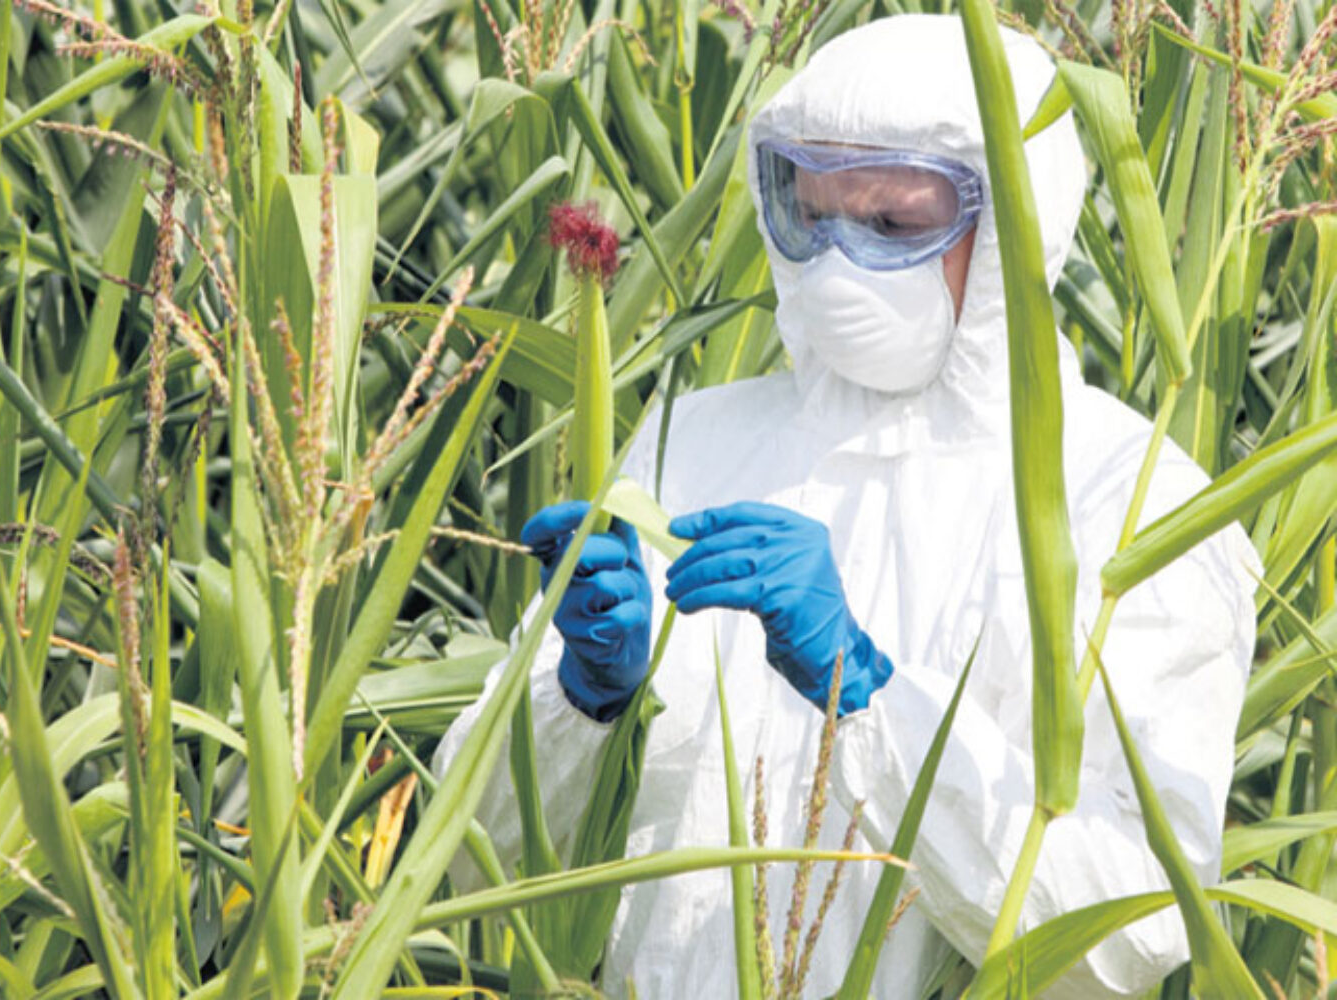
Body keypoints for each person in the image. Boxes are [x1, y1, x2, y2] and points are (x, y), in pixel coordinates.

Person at [434, 13, 1258, 998]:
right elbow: (467, 856)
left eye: (893, 227)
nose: (834, 262)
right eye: (811, 214)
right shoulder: (694, 443)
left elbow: (1137, 923)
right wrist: (581, 700)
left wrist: (870, 699)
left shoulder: (1128, 499)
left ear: (1010, 224)